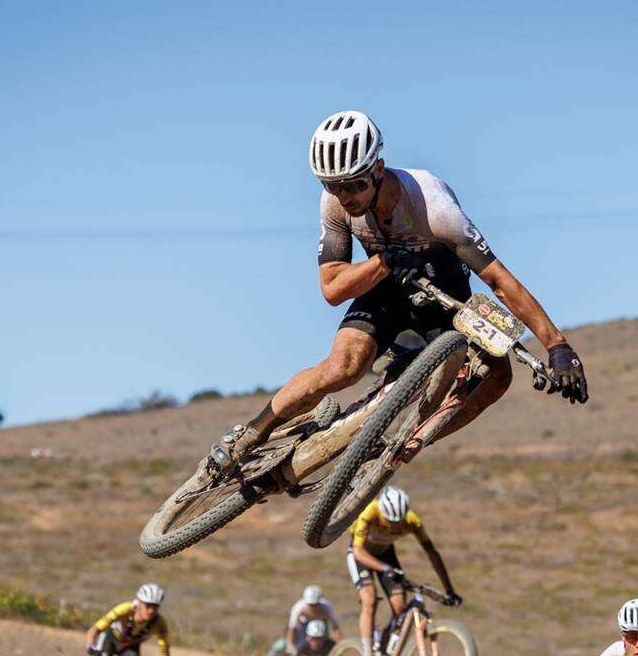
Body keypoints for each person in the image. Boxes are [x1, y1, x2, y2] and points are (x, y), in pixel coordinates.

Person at [206, 110, 588, 479]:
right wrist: (385, 261)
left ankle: (408, 443)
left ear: (378, 168)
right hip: (387, 286)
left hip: (446, 292)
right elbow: (333, 288)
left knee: (498, 375)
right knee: (343, 367)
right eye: (331, 185)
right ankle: (253, 432)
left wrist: (557, 346)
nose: (345, 195)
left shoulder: (433, 205)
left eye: (354, 183)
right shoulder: (336, 206)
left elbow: (498, 280)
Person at [347, 485, 458, 656]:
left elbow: (432, 555)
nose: (395, 527)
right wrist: (384, 568)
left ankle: (385, 652)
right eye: (390, 522)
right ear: (383, 513)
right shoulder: (371, 511)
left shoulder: (412, 521)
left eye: (398, 523)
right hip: (361, 555)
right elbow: (357, 551)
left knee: (400, 607)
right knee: (369, 600)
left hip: (386, 555)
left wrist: (449, 589)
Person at [86, 583, 173, 656]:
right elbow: (95, 629)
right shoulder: (125, 609)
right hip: (110, 639)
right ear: (139, 602)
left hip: (130, 647)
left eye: (155, 607)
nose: (151, 611)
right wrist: (91, 645)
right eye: (148, 605)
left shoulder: (160, 624)